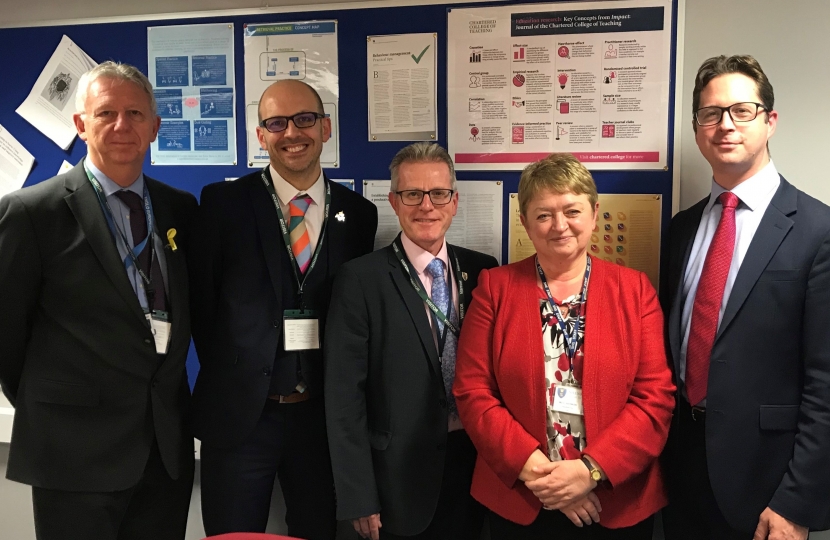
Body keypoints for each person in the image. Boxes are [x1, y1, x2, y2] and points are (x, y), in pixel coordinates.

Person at [0, 61, 197, 540]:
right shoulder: (30, 212)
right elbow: (7, 338)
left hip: (162, 451)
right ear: (80, 124)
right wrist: (57, 408)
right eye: (105, 112)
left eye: (134, 113)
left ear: (155, 127)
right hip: (73, 456)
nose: (121, 125)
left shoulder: (180, 209)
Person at [189, 79, 378, 538]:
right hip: (240, 421)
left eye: (305, 119)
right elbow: (202, 306)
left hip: (320, 422)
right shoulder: (222, 204)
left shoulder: (359, 215)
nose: (292, 132)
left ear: (326, 127)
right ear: (261, 135)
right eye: (277, 123)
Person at [453, 153, 675, 539]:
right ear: (524, 221)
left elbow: (654, 398)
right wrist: (545, 478)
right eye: (543, 215)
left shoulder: (635, 290)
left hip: (615, 498)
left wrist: (590, 471)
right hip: (522, 496)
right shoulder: (494, 289)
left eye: (572, 210)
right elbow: (473, 392)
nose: (559, 226)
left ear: (594, 213)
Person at [661, 55, 830, 540]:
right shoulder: (682, 229)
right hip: (683, 470)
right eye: (711, 114)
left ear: (770, 121)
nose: (725, 125)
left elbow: (826, 381)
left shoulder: (818, 231)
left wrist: (797, 503)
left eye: (742, 110)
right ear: (697, 130)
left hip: (769, 485)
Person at [324, 142, 498, 540]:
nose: (426, 206)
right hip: (396, 479)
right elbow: (343, 397)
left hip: (473, 467)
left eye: (438, 193)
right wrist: (358, 495)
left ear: (453, 202)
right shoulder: (361, 280)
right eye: (412, 194)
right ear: (393, 201)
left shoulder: (483, 271)